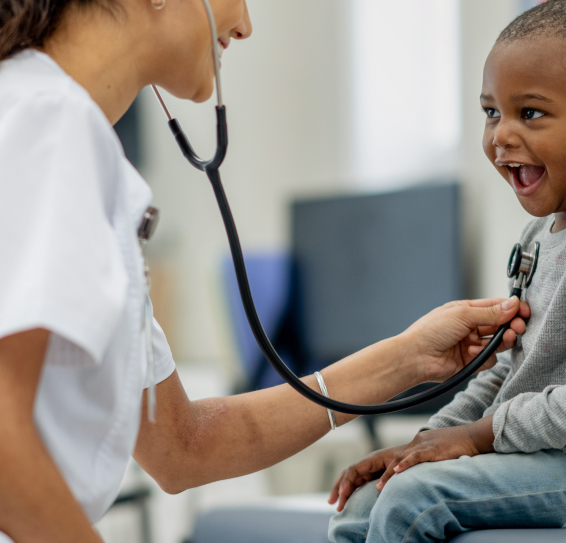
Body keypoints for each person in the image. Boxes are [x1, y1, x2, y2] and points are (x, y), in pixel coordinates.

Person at [0, 1, 529, 541]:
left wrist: (407, 357)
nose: (245, 25)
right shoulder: (47, 122)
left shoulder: (52, 124)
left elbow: (183, 447)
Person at [328, 2, 566, 542]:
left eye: (529, 113)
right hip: (528, 450)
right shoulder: (535, 241)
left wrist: (478, 438)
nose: (500, 135)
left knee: (414, 500)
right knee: (369, 500)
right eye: (490, 112)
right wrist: (423, 443)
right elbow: (510, 371)